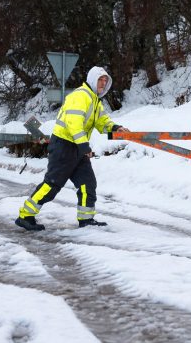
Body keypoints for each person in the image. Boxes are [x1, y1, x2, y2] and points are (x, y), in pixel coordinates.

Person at [15, 66, 129, 231]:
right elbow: (74, 123)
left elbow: (102, 121)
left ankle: (86, 219)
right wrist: (84, 146)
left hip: (77, 147)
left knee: (87, 183)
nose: (103, 83)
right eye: (100, 80)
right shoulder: (80, 96)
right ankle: (25, 215)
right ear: (92, 79)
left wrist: (115, 127)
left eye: (105, 81)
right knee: (52, 185)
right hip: (64, 145)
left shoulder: (95, 100)